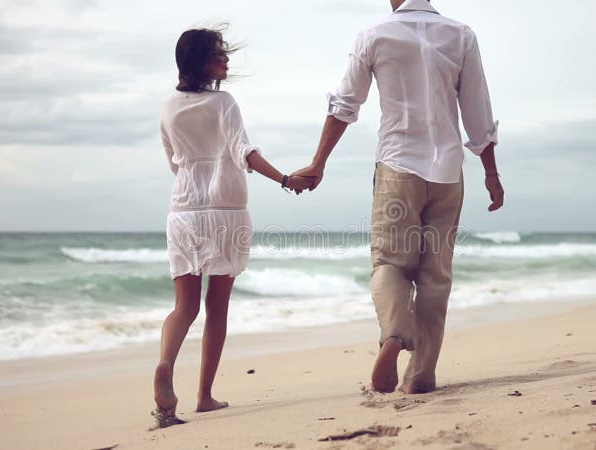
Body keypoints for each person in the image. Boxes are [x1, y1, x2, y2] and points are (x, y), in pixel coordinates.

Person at [293, 0, 505, 394]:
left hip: (397, 167)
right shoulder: (461, 34)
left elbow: (344, 104)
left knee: (390, 263)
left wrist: (318, 163)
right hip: (447, 173)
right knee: (435, 276)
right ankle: (421, 374)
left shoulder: (374, 35)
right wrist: (491, 172)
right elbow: (478, 110)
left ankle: (393, 335)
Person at [153, 27, 312, 428]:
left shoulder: (168, 105)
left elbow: (174, 160)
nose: (226, 61)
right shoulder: (223, 102)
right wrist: (284, 179)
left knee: (184, 306)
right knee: (217, 307)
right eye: (219, 55)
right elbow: (246, 152)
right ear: (202, 61)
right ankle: (204, 396)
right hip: (226, 209)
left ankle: (165, 364)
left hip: (184, 209)